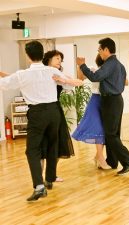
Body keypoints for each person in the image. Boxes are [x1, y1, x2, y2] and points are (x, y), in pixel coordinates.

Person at [0, 41, 81, 201]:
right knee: (52, 145)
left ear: (28, 56)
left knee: (32, 150)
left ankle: (39, 186)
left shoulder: (22, 74)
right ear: (42, 54)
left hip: (37, 113)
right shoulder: (51, 70)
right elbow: (70, 85)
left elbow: (5, 84)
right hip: (54, 112)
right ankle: (50, 178)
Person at [76, 37, 129, 175]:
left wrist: (82, 65)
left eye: (100, 50)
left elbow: (95, 77)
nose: (99, 52)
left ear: (106, 50)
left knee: (110, 135)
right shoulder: (118, 64)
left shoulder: (110, 63)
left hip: (111, 101)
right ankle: (112, 161)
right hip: (115, 100)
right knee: (113, 134)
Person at [41, 50, 75, 185]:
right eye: (57, 58)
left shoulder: (59, 73)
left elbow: (76, 82)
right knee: (45, 145)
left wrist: (63, 79)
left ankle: (51, 175)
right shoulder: (43, 72)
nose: (59, 61)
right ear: (48, 60)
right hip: (45, 110)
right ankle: (43, 178)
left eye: (61, 59)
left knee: (59, 144)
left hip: (56, 110)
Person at [72, 54, 110, 169]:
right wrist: (80, 65)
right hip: (95, 101)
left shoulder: (109, 71)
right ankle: (101, 158)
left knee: (104, 130)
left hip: (106, 101)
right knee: (98, 129)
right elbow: (81, 78)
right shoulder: (94, 70)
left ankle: (98, 156)